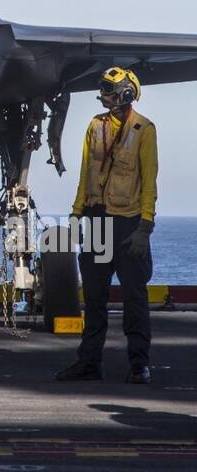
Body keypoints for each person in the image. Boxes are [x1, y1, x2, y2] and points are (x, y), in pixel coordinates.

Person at [56, 67, 158, 385]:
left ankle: (139, 365)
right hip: (97, 221)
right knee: (94, 297)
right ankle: (89, 362)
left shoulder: (144, 129)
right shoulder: (95, 126)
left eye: (108, 90)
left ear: (126, 92)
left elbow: (149, 183)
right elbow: (85, 174)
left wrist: (144, 228)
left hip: (128, 224)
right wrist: (76, 215)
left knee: (135, 297)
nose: (103, 96)